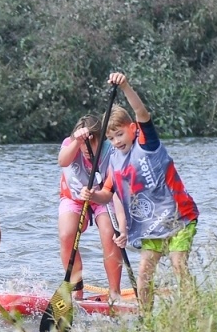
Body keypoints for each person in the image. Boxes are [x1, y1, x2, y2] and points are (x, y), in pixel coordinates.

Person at [82, 72, 199, 307]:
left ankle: (193, 312)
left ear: (133, 129)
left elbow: (142, 113)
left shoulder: (147, 143)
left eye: (120, 134)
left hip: (179, 218)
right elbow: (107, 193)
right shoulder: (114, 160)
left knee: (178, 265)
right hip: (151, 226)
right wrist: (92, 195)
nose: (116, 141)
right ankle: (146, 320)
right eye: (111, 138)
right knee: (144, 275)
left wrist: (125, 86)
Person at [56, 113, 122, 301]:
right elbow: (62, 161)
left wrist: (95, 195)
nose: (87, 149)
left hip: (103, 197)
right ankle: (76, 290)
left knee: (110, 236)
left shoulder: (110, 149)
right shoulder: (71, 143)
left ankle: (114, 293)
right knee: (67, 234)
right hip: (74, 197)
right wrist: (77, 142)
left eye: (91, 143)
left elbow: (112, 189)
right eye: (83, 144)